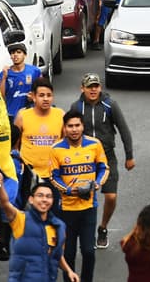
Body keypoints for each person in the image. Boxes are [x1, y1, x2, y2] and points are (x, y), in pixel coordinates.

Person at [69, 73, 135, 249]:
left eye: (96, 86)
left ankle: (103, 227)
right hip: (83, 158)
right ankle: (85, 231)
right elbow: (69, 129)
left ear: (100, 88)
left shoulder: (110, 105)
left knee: (111, 196)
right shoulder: (76, 106)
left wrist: (129, 156)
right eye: (89, 87)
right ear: (82, 88)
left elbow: (123, 129)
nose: (93, 90)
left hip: (106, 156)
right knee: (84, 197)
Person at [50, 109, 108, 282]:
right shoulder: (56, 149)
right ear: (65, 128)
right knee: (68, 253)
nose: (74, 129)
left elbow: (104, 168)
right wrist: (68, 190)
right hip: (66, 209)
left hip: (89, 207)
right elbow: (54, 176)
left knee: (89, 251)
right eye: (70, 126)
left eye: (77, 125)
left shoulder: (94, 144)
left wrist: (97, 184)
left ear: (83, 126)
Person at [1, 181, 78, 282]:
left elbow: (57, 255)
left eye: (48, 196)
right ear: (31, 199)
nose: (44, 199)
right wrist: (0, 185)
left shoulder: (59, 226)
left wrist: (69, 271)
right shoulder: (20, 219)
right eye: (40, 195)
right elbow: (5, 203)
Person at [15, 77, 65, 183]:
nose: (46, 99)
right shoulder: (22, 116)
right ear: (33, 97)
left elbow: (66, 144)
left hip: (55, 174)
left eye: (49, 95)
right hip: (29, 174)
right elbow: (15, 146)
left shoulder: (60, 115)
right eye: (41, 95)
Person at [0, 41, 45, 120]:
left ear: (25, 55)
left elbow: (43, 91)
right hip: (11, 115)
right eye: (12, 53)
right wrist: (4, 78)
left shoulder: (34, 71)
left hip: (30, 114)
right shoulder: (5, 73)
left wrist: (34, 97)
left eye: (19, 52)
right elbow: (1, 97)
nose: (15, 55)